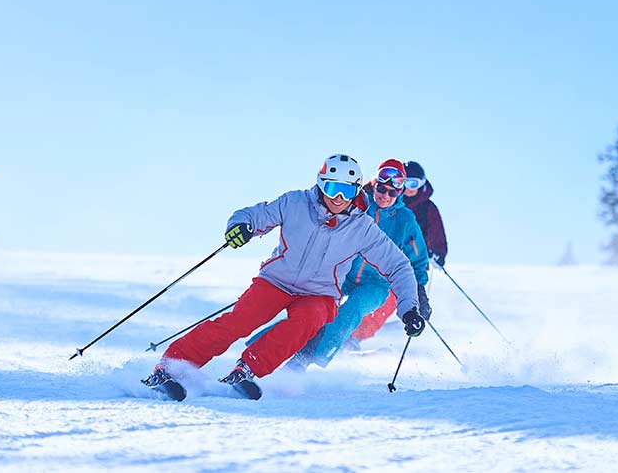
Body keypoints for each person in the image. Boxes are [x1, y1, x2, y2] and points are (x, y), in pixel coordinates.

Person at [142, 154, 428, 399]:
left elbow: (400, 266)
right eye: (331, 188)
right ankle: (169, 368)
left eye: (345, 191)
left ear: (356, 191)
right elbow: (254, 215)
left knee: (309, 321)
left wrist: (409, 308)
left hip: (319, 292)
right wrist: (241, 226)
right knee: (239, 322)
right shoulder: (295, 203)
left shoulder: (361, 227)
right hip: (277, 281)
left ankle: (247, 369)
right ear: (320, 184)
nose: (337, 199)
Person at [257, 159, 432, 370]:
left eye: (392, 193)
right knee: (313, 310)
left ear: (400, 192)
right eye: (381, 189)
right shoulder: (358, 204)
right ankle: (258, 351)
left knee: (350, 313)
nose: (385, 196)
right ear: (374, 183)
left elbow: (417, 259)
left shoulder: (405, 220)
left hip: (376, 284)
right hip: (343, 271)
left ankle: (308, 364)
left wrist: (419, 291)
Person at [350, 160, 448, 342]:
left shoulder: (425, 208)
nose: (410, 189)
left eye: (414, 184)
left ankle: (354, 338)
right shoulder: (383, 199)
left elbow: (435, 234)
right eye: (407, 182)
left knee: (387, 302)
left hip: (405, 268)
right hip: (373, 263)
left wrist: (437, 253)